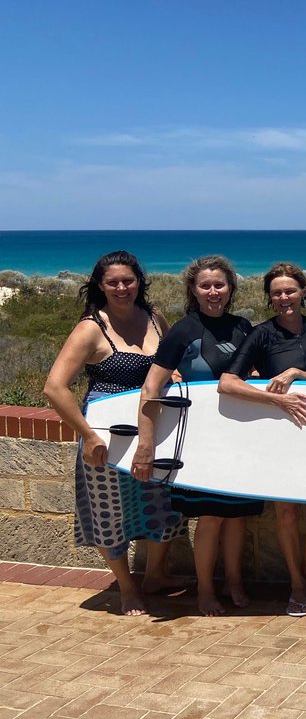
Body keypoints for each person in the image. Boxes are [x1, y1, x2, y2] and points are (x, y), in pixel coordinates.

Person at [43, 251, 186, 616]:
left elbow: (170, 361)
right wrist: (88, 435)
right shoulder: (92, 328)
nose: (122, 288)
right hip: (106, 435)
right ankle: (126, 587)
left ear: (139, 281)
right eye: (113, 282)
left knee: (164, 504)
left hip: (156, 430)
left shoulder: (155, 318)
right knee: (110, 513)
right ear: (100, 286)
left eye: (128, 280)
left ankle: (155, 575)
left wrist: (172, 373)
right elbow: (55, 388)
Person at [131, 255, 261, 616]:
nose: (213, 291)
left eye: (220, 285)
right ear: (193, 289)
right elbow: (150, 388)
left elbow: (255, 374)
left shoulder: (243, 327)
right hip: (201, 443)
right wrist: (146, 441)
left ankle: (234, 581)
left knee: (237, 515)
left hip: (239, 436)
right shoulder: (183, 330)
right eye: (205, 285)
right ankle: (205, 590)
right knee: (210, 517)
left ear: (231, 288)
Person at [218, 262, 306, 617]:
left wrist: (298, 374)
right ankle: (298, 584)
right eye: (277, 293)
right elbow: (228, 383)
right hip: (278, 436)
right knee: (286, 513)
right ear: (270, 299)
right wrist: (276, 399)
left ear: (304, 292)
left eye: (290, 291)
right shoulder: (260, 335)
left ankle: (302, 573)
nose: (284, 298)